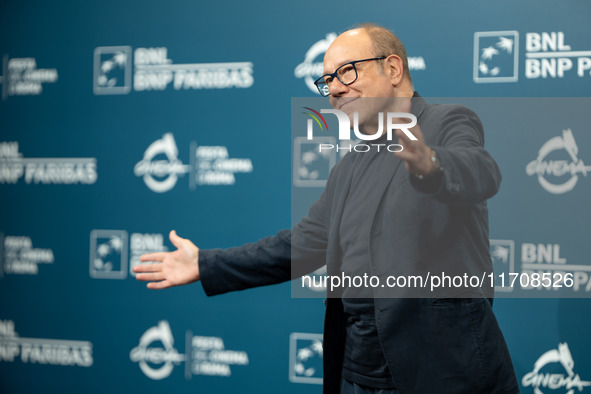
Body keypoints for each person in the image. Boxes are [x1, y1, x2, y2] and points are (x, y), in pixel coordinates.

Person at [133, 23, 519, 394]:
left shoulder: (447, 121)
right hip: (355, 373)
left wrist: (429, 164)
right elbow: (299, 245)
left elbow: (480, 173)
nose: (333, 89)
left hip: (441, 372)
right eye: (327, 81)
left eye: (346, 72)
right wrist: (206, 264)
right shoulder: (350, 164)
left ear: (393, 68)